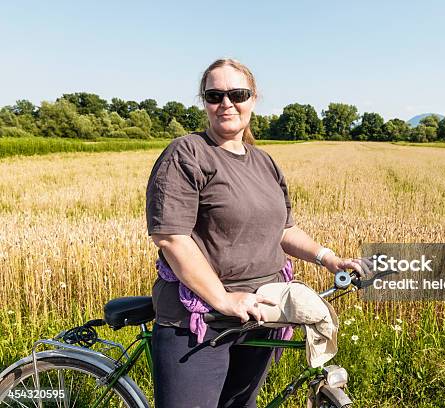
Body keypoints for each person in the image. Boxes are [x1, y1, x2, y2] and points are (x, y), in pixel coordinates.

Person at [145, 58, 363, 408]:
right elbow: (172, 237)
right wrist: (223, 299)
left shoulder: (264, 162)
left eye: (237, 93)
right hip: (202, 321)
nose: (226, 103)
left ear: (254, 98)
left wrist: (329, 259)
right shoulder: (188, 153)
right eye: (215, 95)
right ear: (204, 101)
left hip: (259, 312)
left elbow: (284, 229)